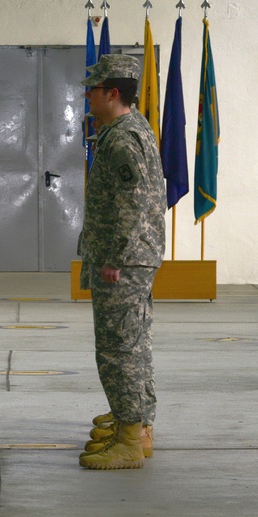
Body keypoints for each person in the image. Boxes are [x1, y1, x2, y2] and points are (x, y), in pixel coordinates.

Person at [77, 54, 166, 470]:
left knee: (118, 348)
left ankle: (130, 438)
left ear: (112, 95)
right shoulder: (132, 128)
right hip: (134, 257)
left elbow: (131, 204)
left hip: (124, 260)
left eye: (92, 90)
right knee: (134, 343)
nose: (87, 96)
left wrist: (114, 256)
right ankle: (137, 426)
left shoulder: (122, 138)